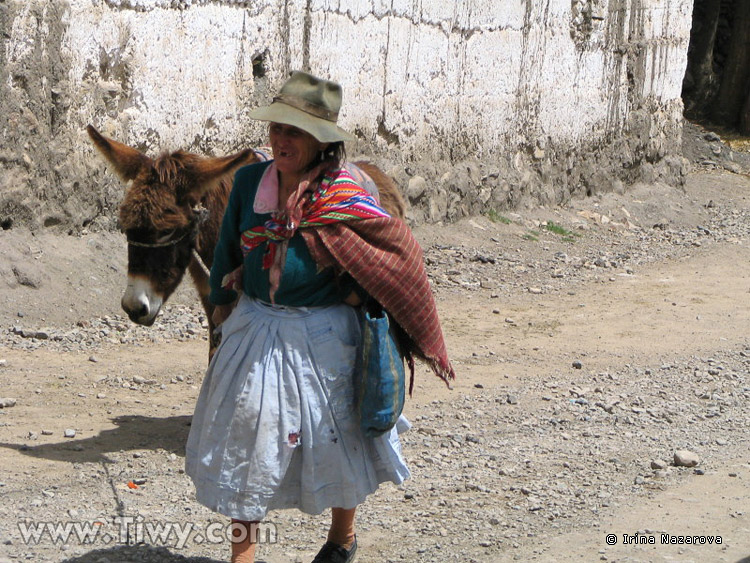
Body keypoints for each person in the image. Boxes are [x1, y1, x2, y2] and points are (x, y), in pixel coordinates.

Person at [185, 71, 454, 563]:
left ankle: (341, 539)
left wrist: (354, 296)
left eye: (295, 132)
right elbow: (226, 251)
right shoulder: (249, 183)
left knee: (338, 437)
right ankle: (242, 556)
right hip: (258, 328)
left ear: (321, 141)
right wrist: (223, 318)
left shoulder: (346, 192)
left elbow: (386, 256)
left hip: (327, 336)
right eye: (277, 129)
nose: (281, 140)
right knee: (249, 440)